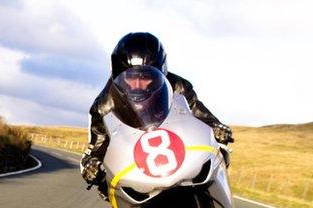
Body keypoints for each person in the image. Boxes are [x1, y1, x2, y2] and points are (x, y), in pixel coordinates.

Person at [81, 32, 234, 192]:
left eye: (145, 77)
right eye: (130, 78)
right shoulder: (103, 106)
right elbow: (96, 147)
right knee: (107, 189)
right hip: (135, 171)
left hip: (181, 158)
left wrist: (217, 127)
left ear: (161, 72)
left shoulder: (178, 86)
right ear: (116, 75)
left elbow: (200, 113)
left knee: (220, 155)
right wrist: (91, 165)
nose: (137, 85)